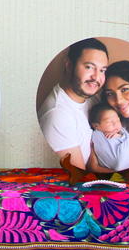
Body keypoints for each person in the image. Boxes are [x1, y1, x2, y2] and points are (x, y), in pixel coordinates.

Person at [37, 38, 109, 169]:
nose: (96, 77)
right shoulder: (58, 116)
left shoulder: (93, 97)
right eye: (89, 67)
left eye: (102, 70)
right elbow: (78, 179)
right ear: (69, 66)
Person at [86, 103, 129, 173]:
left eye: (118, 120)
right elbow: (92, 150)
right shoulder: (95, 135)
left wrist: (120, 136)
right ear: (96, 126)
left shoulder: (122, 132)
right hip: (108, 170)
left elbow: (128, 140)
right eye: (109, 122)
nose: (115, 124)